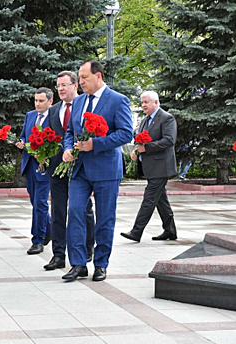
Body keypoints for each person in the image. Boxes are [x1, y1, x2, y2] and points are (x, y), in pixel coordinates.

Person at [62, 60, 133, 282]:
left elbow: (125, 134)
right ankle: (78, 263)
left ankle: (101, 264)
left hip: (106, 170)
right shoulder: (79, 101)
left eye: (84, 78)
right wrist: (67, 149)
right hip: (79, 169)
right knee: (74, 213)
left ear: (98, 76)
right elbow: (70, 132)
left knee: (104, 219)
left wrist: (96, 144)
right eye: (79, 78)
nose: (80, 82)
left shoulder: (117, 100)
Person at [44, 71, 95, 271]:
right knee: (57, 211)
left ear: (75, 86)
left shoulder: (85, 106)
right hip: (57, 168)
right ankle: (58, 255)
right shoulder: (54, 109)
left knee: (83, 210)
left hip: (81, 167)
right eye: (58, 86)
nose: (61, 89)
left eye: (65, 85)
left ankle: (87, 248)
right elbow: (50, 136)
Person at [121, 91, 178, 242]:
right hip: (150, 167)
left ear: (156, 102)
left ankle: (136, 231)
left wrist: (146, 148)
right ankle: (170, 230)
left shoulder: (167, 118)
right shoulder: (145, 120)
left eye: (147, 102)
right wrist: (136, 151)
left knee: (149, 199)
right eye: (142, 102)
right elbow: (141, 141)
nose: (143, 105)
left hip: (162, 166)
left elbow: (169, 140)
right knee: (160, 199)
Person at [16, 87, 53, 255]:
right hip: (30, 164)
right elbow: (24, 135)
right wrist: (21, 142)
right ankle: (49, 230)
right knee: (35, 202)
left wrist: (46, 155)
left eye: (41, 101)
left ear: (50, 101)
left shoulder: (54, 117)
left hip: (45, 166)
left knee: (40, 203)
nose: (37, 104)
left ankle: (37, 240)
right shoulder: (30, 116)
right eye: (36, 100)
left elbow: (57, 141)